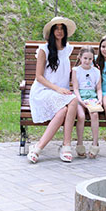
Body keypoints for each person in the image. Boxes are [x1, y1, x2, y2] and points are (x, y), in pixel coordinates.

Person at [27, 16, 80, 163]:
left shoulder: (68, 49)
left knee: (66, 108)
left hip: (60, 93)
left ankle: (54, 147)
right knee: (70, 103)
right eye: (56, 28)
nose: (59, 31)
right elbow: (39, 77)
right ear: (51, 31)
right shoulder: (44, 50)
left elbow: (66, 72)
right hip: (43, 91)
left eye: (62, 28)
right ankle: (54, 146)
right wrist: (57, 88)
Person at [71, 47, 102, 158]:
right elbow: (75, 88)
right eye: (85, 58)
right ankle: (79, 143)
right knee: (81, 116)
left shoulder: (96, 71)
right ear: (80, 57)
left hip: (92, 97)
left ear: (93, 59)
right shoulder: (76, 70)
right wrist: (80, 100)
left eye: (90, 59)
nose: (87, 61)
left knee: (94, 114)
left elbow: (99, 88)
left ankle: (95, 143)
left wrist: (100, 99)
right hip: (79, 97)